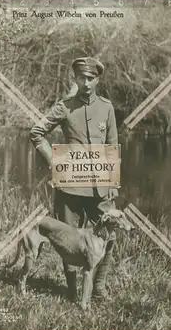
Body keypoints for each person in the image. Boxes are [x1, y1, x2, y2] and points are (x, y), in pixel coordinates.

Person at [30, 57, 119, 301]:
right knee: (68, 239)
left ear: (97, 79)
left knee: (109, 236)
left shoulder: (106, 107)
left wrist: (113, 182)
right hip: (69, 187)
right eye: (82, 78)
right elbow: (36, 133)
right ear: (76, 79)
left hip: (101, 188)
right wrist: (53, 160)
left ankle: (98, 288)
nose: (87, 83)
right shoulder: (65, 106)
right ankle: (71, 292)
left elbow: (112, 145)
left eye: (91, 78)